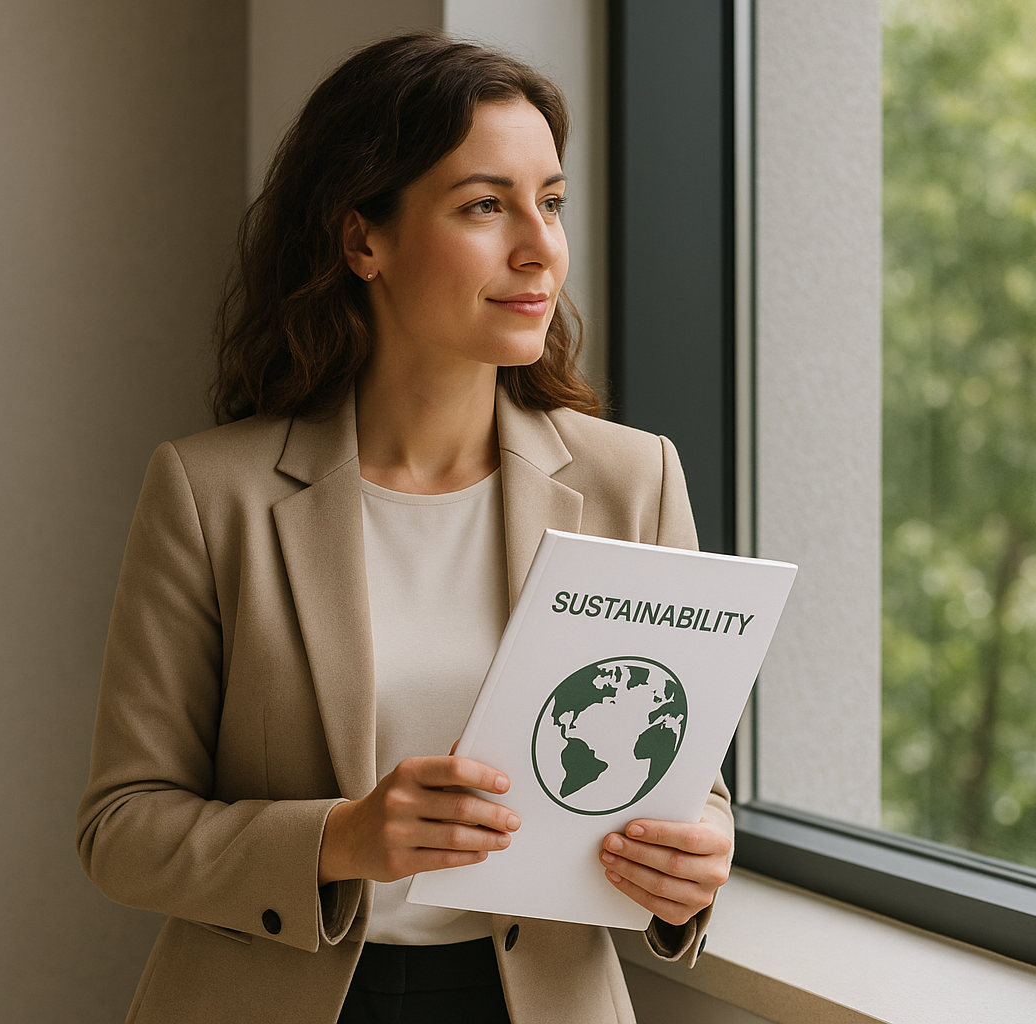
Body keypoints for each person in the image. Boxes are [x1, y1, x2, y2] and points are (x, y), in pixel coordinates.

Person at [76, 30, 733, 1024]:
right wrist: (341, 838)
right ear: (361, 240)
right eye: (485, 205)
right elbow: (123, 827)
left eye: (550, 201)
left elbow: (686, 780)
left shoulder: (632, 478)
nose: (540, 247)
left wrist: (697, 859)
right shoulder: (213, 493)